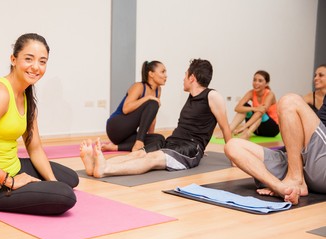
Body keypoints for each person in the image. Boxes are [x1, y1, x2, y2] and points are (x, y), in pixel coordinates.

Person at [0, 33, 78, 215]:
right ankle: (1, 183)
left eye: (42, 62)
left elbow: (35, 149)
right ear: (13, 59)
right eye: (29, 59)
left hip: (14, 167)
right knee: (66, 195)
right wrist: (9, 180)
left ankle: (41, 184)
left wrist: (51, 182)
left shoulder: (27, 96)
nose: (36, 67)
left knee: (70, 178)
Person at [80, 58, 231, 178]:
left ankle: (105, 169)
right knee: (139, 153)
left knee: (152, 159)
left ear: (192, 78)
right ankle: (95, 164)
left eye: (185, 75)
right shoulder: (191, 97)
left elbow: (225, 127)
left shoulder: (213, 96)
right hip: (172, 141)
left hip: (188, 148)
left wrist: (233, 156)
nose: (182, 78)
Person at [224, 65, 326, 205]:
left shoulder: (269, 94)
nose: (316, 78)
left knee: (288, 100)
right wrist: (292, 151)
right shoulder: (251, 93)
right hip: (300, 161)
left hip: (319, 161)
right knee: (232, 146)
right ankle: (281, 187)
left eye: (321, 75)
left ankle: (295, 179)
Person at [101, 61, 167, 152]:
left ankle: (116, 147)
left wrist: (150, 137)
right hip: (115, 126)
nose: (166, 75)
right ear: (151, 74)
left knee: (160, 139)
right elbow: (125, 109)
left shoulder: (158, 90)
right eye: (162, 72)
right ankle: (139, 142)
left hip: (129, 134)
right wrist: (148, 97)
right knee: (153, 103)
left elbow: (152, 117)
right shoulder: (139, 86)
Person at [216, 70, 279, 140]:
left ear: (266, 83)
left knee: (260, 112)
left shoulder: (270, 94)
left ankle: (247, 134)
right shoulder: (251, 93)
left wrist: (244, 127)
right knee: (246, 106)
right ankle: (228, 131)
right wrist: (253, 109)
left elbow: (260, 112)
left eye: (260, 81)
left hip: (272, 129)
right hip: (258, 130)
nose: (256, 83)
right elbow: (237, 108)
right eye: (254, 80)